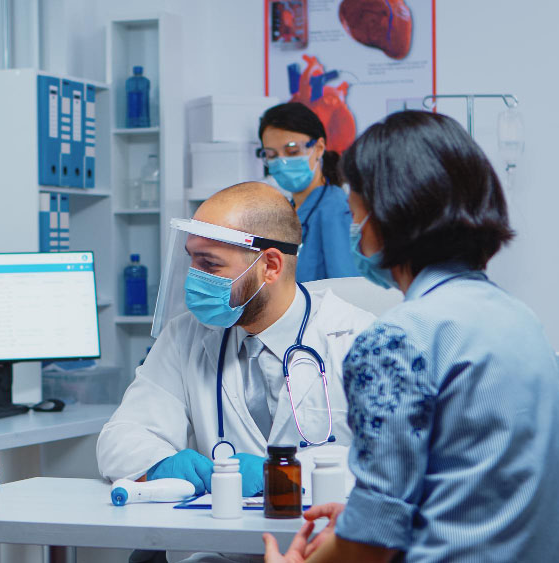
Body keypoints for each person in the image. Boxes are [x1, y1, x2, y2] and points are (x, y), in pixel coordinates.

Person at [264, 111, 559, 562]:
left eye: (354, 212)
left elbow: (368, 548)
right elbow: (479, 488)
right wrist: (363, 513)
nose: (354, 227)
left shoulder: (395, 340)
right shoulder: (523, 321)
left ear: (388, 215)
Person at [97, 182, 375, 562]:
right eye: (191, 260)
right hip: (214, 551)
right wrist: (160, 463)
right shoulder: (185, 335)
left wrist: (277, 475)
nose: (194, 278)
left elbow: (392, 465)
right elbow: (121, 436)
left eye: (209, 264)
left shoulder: (360, 338)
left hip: (321, 552)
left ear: (271, 266)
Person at [258, 102, 358, 283]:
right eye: (272, 155)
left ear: (319, 148)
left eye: (292, 151)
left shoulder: (333, 207)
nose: (282, 162)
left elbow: (346, 286)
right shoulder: (288, 209)